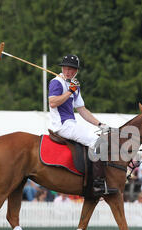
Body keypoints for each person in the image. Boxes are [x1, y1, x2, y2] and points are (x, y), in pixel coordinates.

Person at [48, 54, 117, 197]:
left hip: (71, 123)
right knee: (97, 142)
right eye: (66, 68)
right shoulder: (57, 82)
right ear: (62, 68)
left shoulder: (74, 85)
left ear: (76, 71)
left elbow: (82, 110)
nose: (69, 72)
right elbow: (53, 103)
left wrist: (100, 124)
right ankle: (98, 184)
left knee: (98, 137)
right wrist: (69, 92)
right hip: (61, 125)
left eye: (72, 69)